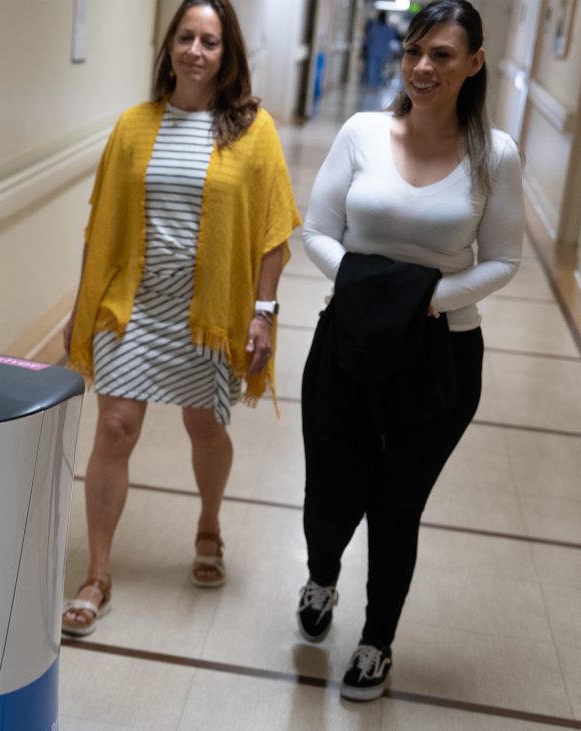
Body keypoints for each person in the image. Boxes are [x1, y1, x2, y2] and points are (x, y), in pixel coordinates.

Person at [297, 0, 524, 701]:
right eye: (413, 51)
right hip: (346, 343)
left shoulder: (494, 155)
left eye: (443, 55)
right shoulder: (363, 132)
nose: (423, 67)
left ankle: (377, 639)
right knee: (330, 488)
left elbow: (505, 259)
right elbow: (317, 230)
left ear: (474, 63)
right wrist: (373, 295)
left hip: (441, 355)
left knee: (397, 506)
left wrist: (423, 301)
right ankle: (322, 576)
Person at [60, 0, 301, 638]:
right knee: (115, 429)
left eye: (210, 42)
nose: (195, 51)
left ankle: (209, 525)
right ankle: (98, 574)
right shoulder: (134, 126)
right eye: (186, 37)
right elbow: (100, 226)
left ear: (228, 54)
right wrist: (80, 307)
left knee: (205, 428)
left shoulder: (252, 131)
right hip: (132, 306)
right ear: (169, 47)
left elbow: (274, 233)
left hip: (208, 313)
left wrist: (263, 314)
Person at [364, 12, 398, 87]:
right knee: (379, 69)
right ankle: (376, 85)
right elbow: (392, 38)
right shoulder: (387, 29)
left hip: (373, 51)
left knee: (372, 69)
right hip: (382, 52)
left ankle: (372, 84)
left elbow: (368, 39)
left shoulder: (374, 27)